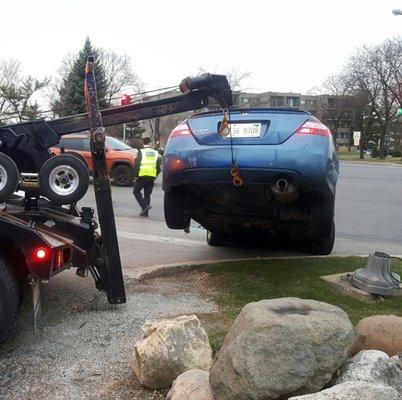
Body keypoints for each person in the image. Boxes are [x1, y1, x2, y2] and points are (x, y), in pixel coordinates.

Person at [133, 137, 161, 217]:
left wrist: (136, 175)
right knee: (147, 195)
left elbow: (137, 165)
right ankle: (145, 213)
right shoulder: (155, 152)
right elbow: (158, 167)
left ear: (143, 143)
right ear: (150, 143)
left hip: (142, 176)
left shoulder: (141, 152)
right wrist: (154, 176)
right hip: (151, 177)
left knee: (136, 192)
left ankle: (144, 207)